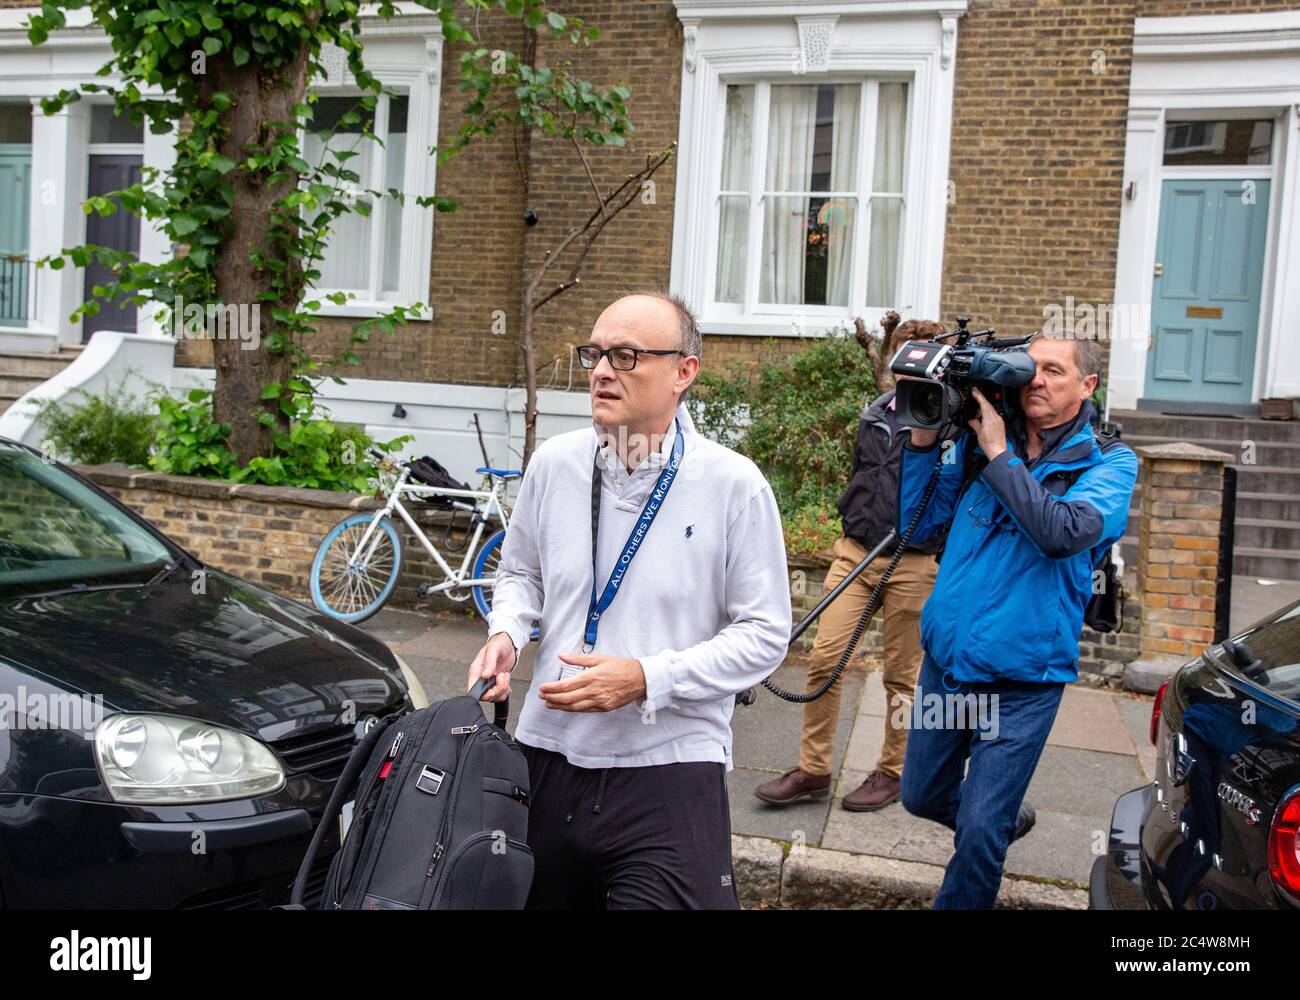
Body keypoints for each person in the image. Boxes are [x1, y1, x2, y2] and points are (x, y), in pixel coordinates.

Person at [467, 291, 792, 909]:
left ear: (684, 372)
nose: (600, 371)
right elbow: (521, 575)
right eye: (595, 354)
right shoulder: (554, 464)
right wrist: (507, 632)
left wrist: (647, 677)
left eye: (625, 355)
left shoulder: (733, 485)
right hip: (548, 751)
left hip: (670, 764)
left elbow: (764, 636)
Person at [896, 334, 1137, 909]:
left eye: (1055, 370)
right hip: (948, 666)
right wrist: (928, 440)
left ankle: (990, 822)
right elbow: (918, 523)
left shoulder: (1110, 462)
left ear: (1087, 386)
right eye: (1031, 368)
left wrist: (1001, 454)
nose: (1038, 380)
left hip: (1022, 681)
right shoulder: (979, 443)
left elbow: (1063, 533)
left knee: (978, 835)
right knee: (921, 797)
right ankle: (1003, 815)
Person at [755, 319, 947, 812]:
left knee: (902, 677)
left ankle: (892, 772)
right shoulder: (877, 412)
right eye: (901, 357)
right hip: (856, 552)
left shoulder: (948, 425)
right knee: (825, 657)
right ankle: (814, 769)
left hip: (916, 561)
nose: (907, 368)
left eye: (918, 358)